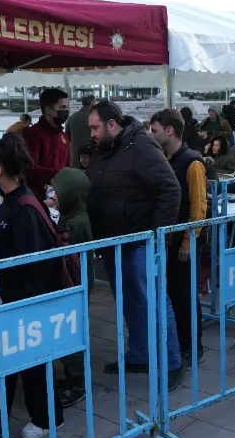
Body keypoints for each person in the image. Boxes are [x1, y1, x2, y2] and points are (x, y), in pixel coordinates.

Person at [0, 133, 65, 438]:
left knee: (30, 361)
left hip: (28, 297)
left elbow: (27, 260)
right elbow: (4, 238)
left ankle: (48, 418)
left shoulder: (23, 207)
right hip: (17, 295)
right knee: (11, 360)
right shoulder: (14, 200)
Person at [85, 100, 183, 388]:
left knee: (154, 302)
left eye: (94, 127)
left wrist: (156, 236)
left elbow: (170, 189)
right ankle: (140, 355)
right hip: (115, 241)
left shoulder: (142, 146)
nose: (91, 133)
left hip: (141, 241)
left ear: (112, 124)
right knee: (129, 302)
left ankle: (172, 361)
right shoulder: (104, 150)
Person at [150, 109, 208, 365]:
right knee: (173, 293)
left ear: (169, 130)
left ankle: (192, 347)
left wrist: (188, 241)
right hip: (169, 239)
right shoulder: (165, 158)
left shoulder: (192, 162)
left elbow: (198, 206)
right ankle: (178, 343)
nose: (152, 135)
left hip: (182, 241)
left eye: (155, 130)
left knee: (185, 296)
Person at [51, 166, 93, 407]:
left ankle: (77, 382)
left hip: (73, 283)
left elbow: (62, 246)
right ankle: (72, 377)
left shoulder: (74, 224)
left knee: (72, 334)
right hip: (76, 282)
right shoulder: (75, 216)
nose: (54, 197)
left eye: (57, 193)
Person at [22, 88, 71, 199]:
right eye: (62, 107)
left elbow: (68, 164)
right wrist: (56, 173)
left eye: (66, 107)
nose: (66, 111)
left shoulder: (62, 135)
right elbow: (30, 167)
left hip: (61, 194)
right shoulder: (33, 134)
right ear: (48, 110)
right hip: (39, 196)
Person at [67, 94, 96, 167]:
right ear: (93, 103)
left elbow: (67, 137)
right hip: (92, 158)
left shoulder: (72, 117)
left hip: (76, 159)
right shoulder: (96, 117)